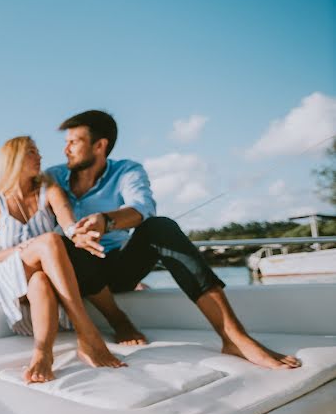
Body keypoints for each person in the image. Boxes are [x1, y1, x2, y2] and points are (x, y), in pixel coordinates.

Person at [47, 109, 301, 370]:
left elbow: (142, 208)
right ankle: (118, 320)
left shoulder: (126, 171)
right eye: (66, 142)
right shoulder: (53, 176)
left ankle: (234, 337)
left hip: (115, 267)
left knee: (160, 227)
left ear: (99, 145)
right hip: (74, 270)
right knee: (60, 244)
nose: (66, 149)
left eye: (73, 142)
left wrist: (106, 220)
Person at [0, 136, 124, 384]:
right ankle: (86, 331)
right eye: (32, 152)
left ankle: (43, 353)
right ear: (15, 158)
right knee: (49, 242)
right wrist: (21, 249)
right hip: (9, 279)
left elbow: (67, 222)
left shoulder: (49, 190)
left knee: (42, 278)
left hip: (40, 280)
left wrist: (77, 233)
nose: (40, 157)